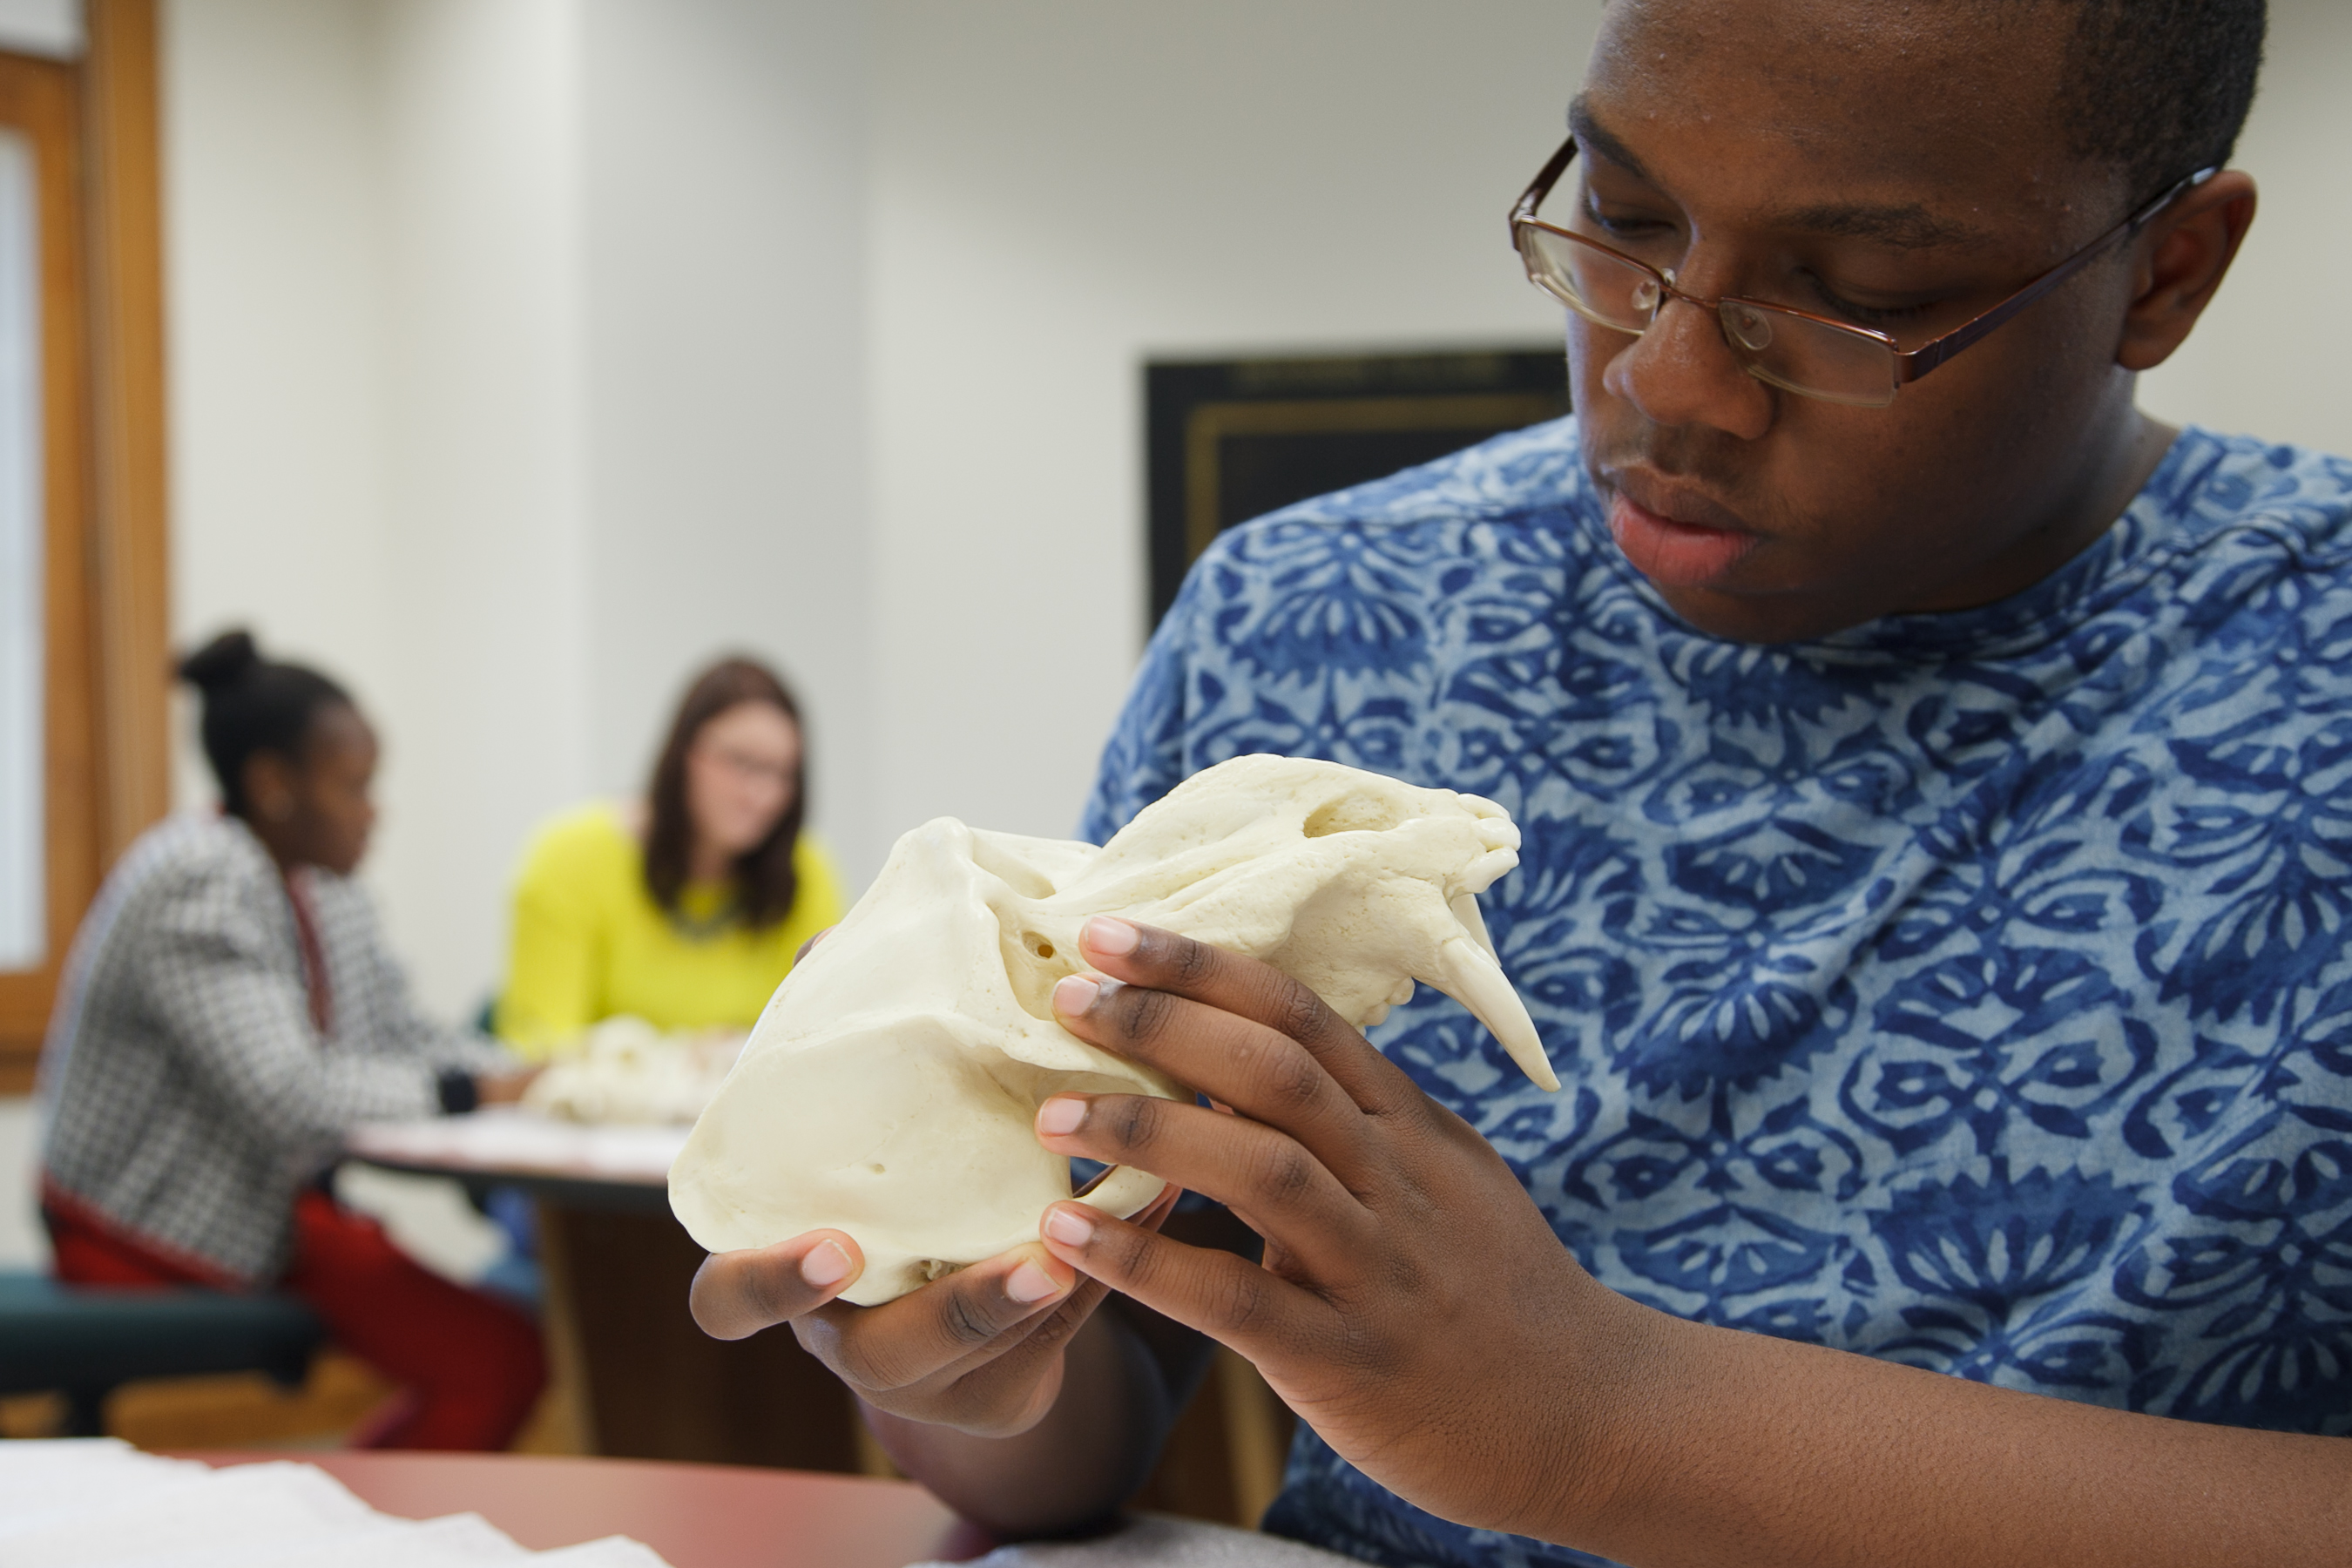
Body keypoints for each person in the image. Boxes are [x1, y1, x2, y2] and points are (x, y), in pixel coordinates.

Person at [692, 2, 2352, 1564]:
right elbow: (1100, 1396)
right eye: (1626, 221)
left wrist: (1607, 1425)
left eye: (1857, 291)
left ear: (2170, 273)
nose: (1667, 383)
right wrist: (958, 1373)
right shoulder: (1316, 628)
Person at [39, 630, 544, 1451]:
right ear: (274, 784)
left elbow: (402, 1034)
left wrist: (541, 1077)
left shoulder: (318, 886)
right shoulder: (196, 878)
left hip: (276, 1210)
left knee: (505, 1351)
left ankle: (340, 1518)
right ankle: (341, 1529)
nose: (374, 810)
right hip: (142, 1233)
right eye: (355, 785)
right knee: (497, 1358)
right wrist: (478, 1093)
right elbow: (288, 1094)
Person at [493, 657, 846, 1057]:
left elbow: (820, 1040)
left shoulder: (805, 871)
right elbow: (539, 1048)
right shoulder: (568, 858)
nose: (761, 795)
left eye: (782, 773)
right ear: (686, 752)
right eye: (741, 763)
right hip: (602, 1116)